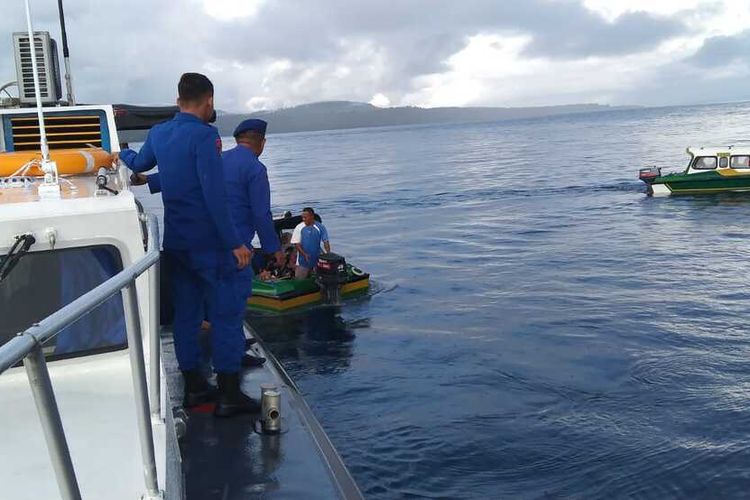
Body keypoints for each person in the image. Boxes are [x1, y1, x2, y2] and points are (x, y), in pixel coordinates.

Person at [119, 72, 258, 417]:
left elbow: (139, 164)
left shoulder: (160, 133)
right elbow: (212, 193)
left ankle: (195, 388)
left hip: (177, 243)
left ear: (179, 99)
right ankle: (228, 394)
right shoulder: (205, 136)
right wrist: (236, 243)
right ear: (208, 100)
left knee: (187, 315)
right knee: (226, 316)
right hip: (210, 246)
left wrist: (120, 153)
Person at [290, 207, 330, 279]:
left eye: (305, 217)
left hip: (317, 259)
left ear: (312, 216)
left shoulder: (320, 227)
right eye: (303, 217)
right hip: (303, 261)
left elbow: (326, 241)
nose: (303, 219)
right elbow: (297, 244)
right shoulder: (299, 227)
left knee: (319, 277)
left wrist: (328, 254)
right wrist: (304, 254)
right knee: (300, 279)